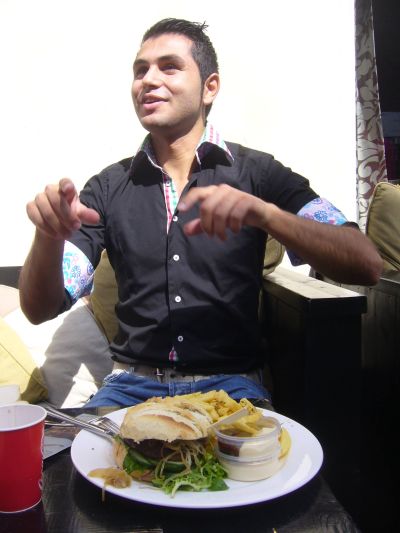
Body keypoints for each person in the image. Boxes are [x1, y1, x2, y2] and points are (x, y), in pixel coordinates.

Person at [19, 18, 383, 407]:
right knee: (79, 449)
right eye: (140, 70)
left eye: (169, 67)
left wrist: (267, 215)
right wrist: (48, 236)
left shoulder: (258, 173)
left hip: (232, 387)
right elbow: (39, 309)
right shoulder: (108, 186)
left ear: (209, 87)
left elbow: (366, 264)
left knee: (271, 449)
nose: (148, 80)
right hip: (131, 388)